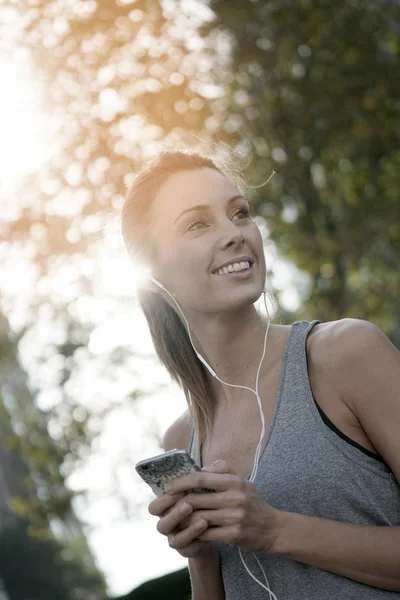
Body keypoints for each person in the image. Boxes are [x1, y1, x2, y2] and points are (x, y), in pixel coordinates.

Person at [120, 150, 400, 600]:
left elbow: (271, 534)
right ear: (153, 273)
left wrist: (273, 530)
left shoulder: (345, 354)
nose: (235, 234)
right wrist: (202, 556)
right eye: (198, 224)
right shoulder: (183, 441)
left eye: (240, 214)